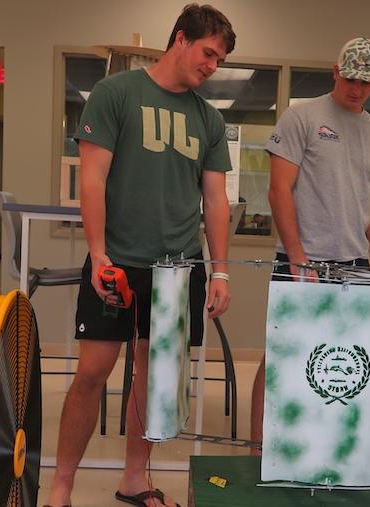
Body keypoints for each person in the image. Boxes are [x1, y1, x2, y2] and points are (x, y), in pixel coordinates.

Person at [45, 5, 236, 507]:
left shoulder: (208, 119)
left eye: (220, 59)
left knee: (153, 381)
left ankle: (135, 478)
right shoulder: (116, 94)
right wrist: (98, 253)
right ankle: (60, 485)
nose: (212, 66)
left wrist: (220, 271)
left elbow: (215, 200)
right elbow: (93, 179)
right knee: (92, 374)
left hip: (179, 271)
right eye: (208, 53)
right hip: (119, 261)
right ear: (180, 39)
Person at [249, 37, 370, 450]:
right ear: (336, 71)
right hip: (302, 261)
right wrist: (297, 257)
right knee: (281, 354)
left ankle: (326, 449)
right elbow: (280, 191)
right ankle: (259, 449)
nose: (356, 89)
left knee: (344, 362)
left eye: (366, 83)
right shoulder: (302, 117)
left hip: (354, 265)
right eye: (350, 78)